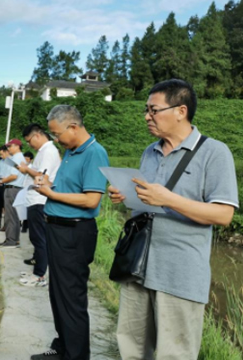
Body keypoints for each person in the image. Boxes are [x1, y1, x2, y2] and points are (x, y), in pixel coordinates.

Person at [108, 79, 239, 360]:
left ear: (180, 111)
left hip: (180, 274)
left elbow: (224, 214)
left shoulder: (215, 153)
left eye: (153, 110)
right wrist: (126, 195)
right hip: (137, 265)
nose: (147, 116)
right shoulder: (150, 152)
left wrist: (167, 198)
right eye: (146, 110)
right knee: (131, 347)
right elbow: (149, 201)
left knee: (174, 354)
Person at [32, 105, 109, 360]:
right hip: (57, 228)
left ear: (73, 127)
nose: (55, 140)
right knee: (58, 293)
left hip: (74, 232)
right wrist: (50, 186)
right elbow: (69, 189)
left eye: (57, 134)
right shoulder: (71, 151)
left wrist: (51, 194)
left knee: (72, 297)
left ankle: (75, 356)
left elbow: (90, 200)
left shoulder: (94, 153)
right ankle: (63, 346)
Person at [17, 124, 61, 287]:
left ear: (37, 136)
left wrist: (27, 170)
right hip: (34, 199)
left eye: (29, 141)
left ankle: (39, 275)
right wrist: (27, 169)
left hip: (39, 199)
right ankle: (37, 270)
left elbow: (43, 175)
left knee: (39, 238)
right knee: (36, 238)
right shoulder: (42, 152)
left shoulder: (49, 151)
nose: (29, 145)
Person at [0, 138, 26, 248]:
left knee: (10, 215)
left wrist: (2, 181)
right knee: (14, 215)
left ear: (17, 146)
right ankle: (14, 239)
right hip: (14, 188)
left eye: (10, 146)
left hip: (12, 188)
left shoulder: (17, 158)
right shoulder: (16, 158)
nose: (8, 148)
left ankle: (11, 240)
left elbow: (14, 176)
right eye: (8, 147)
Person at [21, 151, 35, 233]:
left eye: (27, 159)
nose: (25, 160)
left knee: (28, 208)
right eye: (24, 158)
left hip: (29, 190)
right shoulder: (23, 168)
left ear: (31, 160)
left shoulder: (32, 168)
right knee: (23, 208)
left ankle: (25, 226)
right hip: (23, 189)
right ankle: (24, 226)